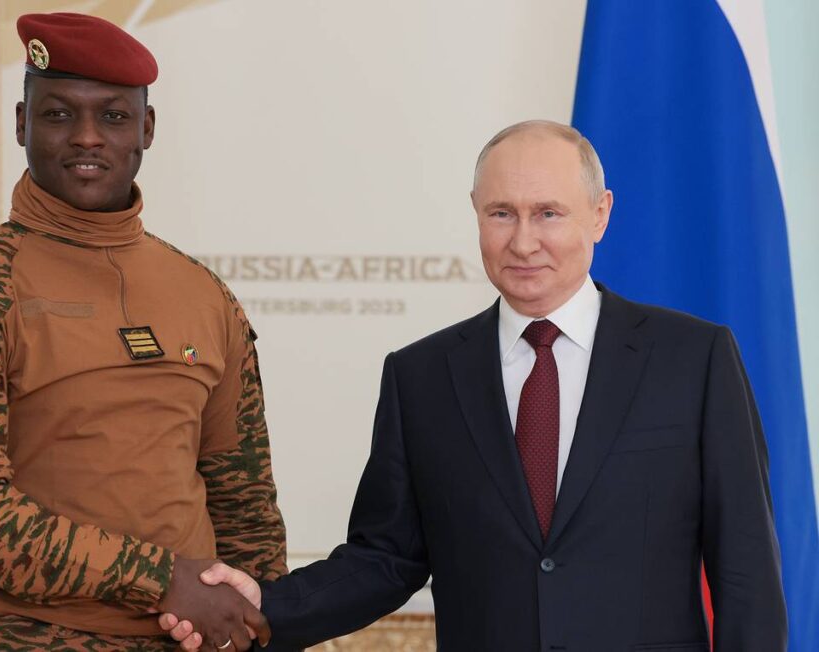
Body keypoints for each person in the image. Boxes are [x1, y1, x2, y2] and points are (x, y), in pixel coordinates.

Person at [163, 120, 788, 651]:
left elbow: (746, 571)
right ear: (475, 213)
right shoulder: (421, 376)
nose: (523, 241)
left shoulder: (693, 359)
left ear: (600, 215)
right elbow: (385, 558)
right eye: (501, 214)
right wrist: (263, 608)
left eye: (548, 213)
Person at [0, 12, 285, 651]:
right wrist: (161, 579)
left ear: (146, 128)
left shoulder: (204, 294)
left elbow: (245, 504)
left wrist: (255, 620)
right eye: (57, 114)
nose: (87, 137)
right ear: (21, 123)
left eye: (114, 116)